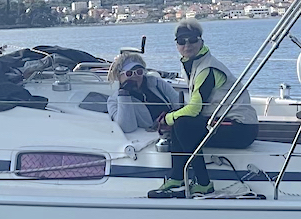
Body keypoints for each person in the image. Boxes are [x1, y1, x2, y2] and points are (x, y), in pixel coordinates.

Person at [147, 19, 258, 198]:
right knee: (180, 123)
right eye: (181, 41)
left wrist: (167, 118)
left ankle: (203, 183)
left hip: (241, 128)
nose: (187, 45)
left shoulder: (207, 68)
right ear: (176, 44)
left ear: (201, 41)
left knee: (182, 123)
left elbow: (194, 110)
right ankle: (177, 178)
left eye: (192, 40)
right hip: (224, 122)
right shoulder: (195, 63)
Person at [105, 52, 180, 134]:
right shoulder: (113, 101)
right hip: (150, 135)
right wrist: (124, 94)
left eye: (139, 72)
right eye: (129, 73)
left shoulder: (157, 83)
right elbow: (127, 127)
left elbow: (179, 103)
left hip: (173, 127)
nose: (135, 76)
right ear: (119, 76)